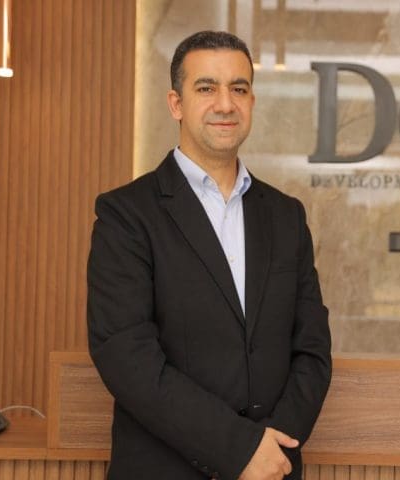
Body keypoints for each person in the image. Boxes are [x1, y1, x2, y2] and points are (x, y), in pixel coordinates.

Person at [87, 30, 332, 480]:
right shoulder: (126, 214)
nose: (225, 104)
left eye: (238, 88)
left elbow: (312, 349)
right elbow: (126, 356)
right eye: (206, 88)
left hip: (273, 470)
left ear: (252, 102)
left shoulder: (286, 216)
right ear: (176, 104)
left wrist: (272, 448)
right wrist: (240, 450)